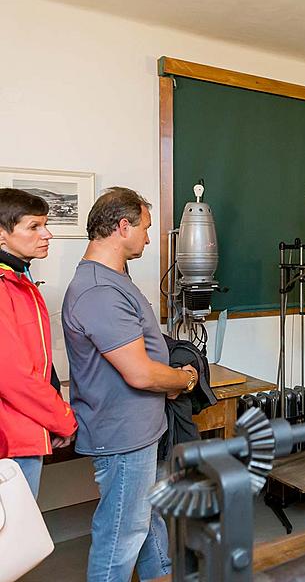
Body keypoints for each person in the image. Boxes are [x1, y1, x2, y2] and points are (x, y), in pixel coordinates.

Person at [63, 187, 198, 582]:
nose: (149, 238)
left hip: (139, 428)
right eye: (145, 228)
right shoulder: (99, 289)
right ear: (123, 226)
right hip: (122, 435)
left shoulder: (112, 278)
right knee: (121, 537)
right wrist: (183, 380)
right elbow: (139, 372)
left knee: (148, 522)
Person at [0, 188, 78, 497]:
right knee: (13, 541)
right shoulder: (5, 286)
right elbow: (12, 376)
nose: (47, 234)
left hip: (24, 428)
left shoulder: (20, 281)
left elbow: (38, 363)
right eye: (34, 226)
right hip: (10, 438)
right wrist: (62, 418)